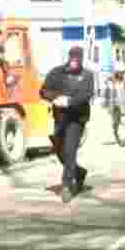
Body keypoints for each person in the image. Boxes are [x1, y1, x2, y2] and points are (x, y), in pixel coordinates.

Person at [40, 46, 94, 202]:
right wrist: (55, 98)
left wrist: (69, 101)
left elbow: (86, 95)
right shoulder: (57, 72)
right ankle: (79, 172)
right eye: (73, 58)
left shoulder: (87, 75)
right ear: (69, 57)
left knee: (70, 150)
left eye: (78, 58)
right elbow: (43, 91)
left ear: (82, 59)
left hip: (77, 119)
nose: (75, 61)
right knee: (60, 151)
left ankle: (66, 185)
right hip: (60, 118)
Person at [107, 67, 125, 146]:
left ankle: (120, 138)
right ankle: (118, 138)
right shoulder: (112, 83)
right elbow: (109, 94)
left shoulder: (123, 82)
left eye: (121, 72)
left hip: (122, 105)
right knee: (115, 123)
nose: (120, 73)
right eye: (118, 72)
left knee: (120, 121)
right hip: (114, 106)